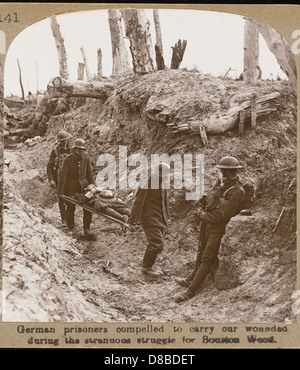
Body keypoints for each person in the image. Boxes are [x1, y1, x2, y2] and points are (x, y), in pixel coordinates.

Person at [174, 156, 246, 302]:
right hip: (208, 225)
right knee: (201, 252)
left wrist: (203, 215)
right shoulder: (222, 185)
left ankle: (190, 291)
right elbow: (213, 201)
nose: (219, 174)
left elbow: (221, 215)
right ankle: (190, 279)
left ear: (226, 172)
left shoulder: (236, 191)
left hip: (218, 228)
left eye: (221, 171)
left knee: (207, 257)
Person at [129, 162, 170, 278]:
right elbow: (138, 202)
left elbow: (164, 202)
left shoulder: (162, 182)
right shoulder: (147, 182)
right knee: (157, 244)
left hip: (159, 217)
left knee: (155, 243)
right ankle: (146, 268)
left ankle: (149, 265)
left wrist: (167, 219)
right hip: (149, 217)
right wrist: (133, 221)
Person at [58, 138, 95, 239]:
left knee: (89, 206)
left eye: (82, 150)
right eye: (78, 150)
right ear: (74, 149)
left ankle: (86, 228)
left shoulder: (86, 159)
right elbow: (63, 176)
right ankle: (70, 226)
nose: (80, 152)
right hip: (71, 188)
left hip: (84, 187)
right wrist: (60, 191)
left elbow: (89, 174)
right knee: (70, 207)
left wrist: (92, 187)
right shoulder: (68, 160)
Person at [47, 130, 72, 225]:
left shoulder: (71, 149)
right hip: (59, 178)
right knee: (61, 199)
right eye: (61, 141)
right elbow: (49, 166)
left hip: (70, 178)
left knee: (70, 198)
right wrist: (51, 179)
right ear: (59, 141)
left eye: (65, 140)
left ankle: (70, 219)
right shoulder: (55, 151)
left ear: (67, 140)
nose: (63, 142)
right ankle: (64, 220)